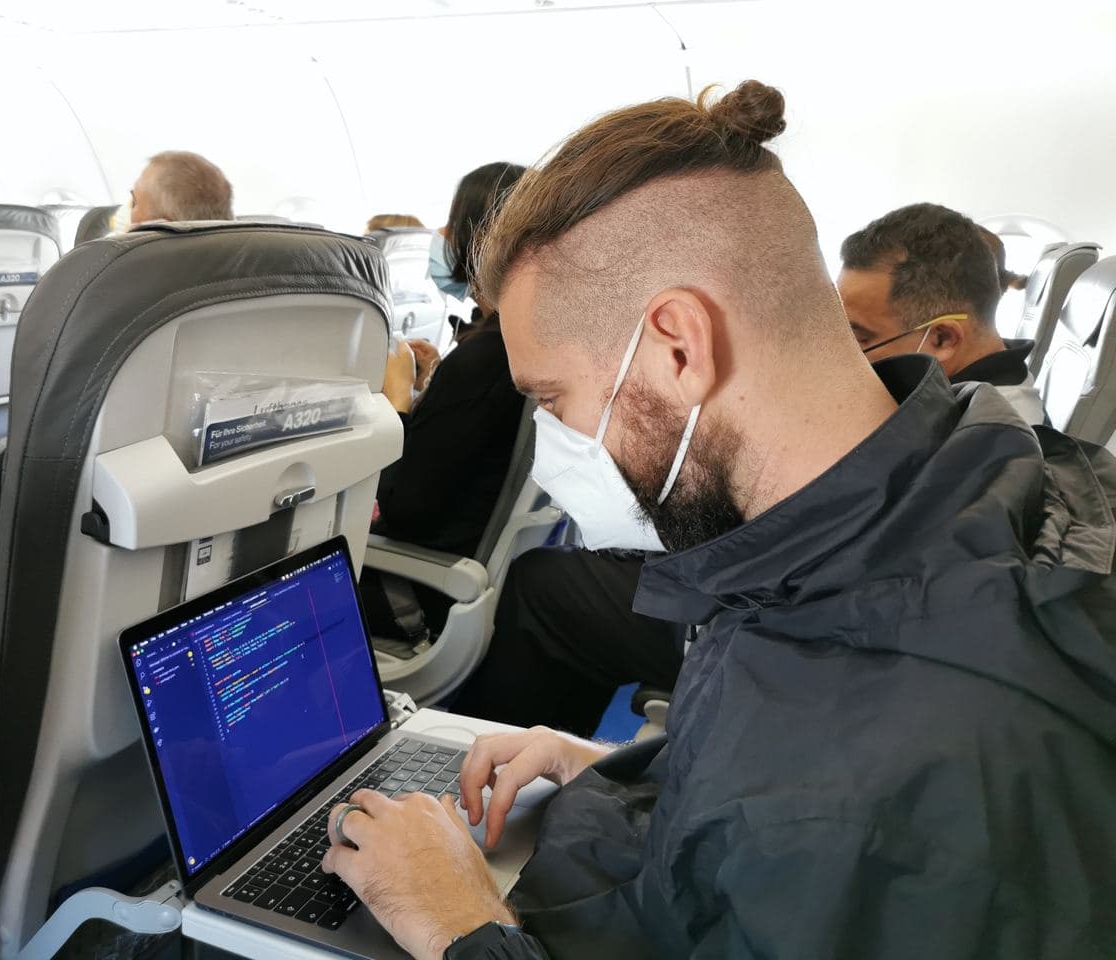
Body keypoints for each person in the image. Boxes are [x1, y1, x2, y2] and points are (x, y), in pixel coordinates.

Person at [317, 81, 1116, 959]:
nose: (552, 443)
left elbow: (817, 814)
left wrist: (457, 924)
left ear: (679, 347)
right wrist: (617, 776)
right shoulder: (934, 491)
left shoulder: (877, 782)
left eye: (552, 398)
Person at [362, 163, 527, 648]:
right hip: (477, 568)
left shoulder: (484, 360)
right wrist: (432, 387)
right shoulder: (514, 345)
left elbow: (403, 507)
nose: (440, 236)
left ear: (478, 238)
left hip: (418, 591)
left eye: (452, 224)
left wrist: (397, 404)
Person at [839, 203, 1045, 424]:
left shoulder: (990, 439)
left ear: (942, 339)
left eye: (859, 338)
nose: (840, 353)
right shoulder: (953, 384)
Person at [450, 546, 684, 737]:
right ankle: (547, 771)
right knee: (586, 582)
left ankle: (468, 750)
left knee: (538, 583)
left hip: (713, 610)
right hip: (708, 584)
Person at [127, 150, 233, 224]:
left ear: (162, 225)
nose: (128, 207)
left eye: (134, 202)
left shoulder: (130, 255)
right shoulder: (243, 253)